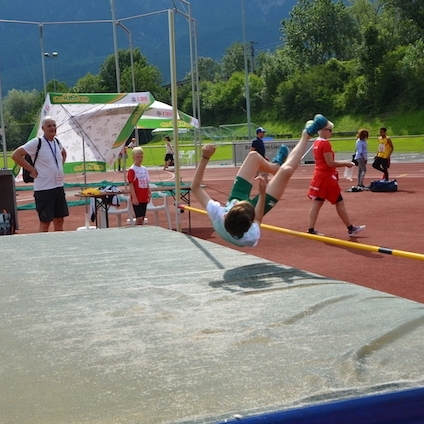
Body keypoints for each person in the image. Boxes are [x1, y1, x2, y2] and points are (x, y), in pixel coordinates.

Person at [191, 114, 328, 247]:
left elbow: (195, 187)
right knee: (286, 171)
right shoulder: (251, 237)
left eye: (237, 205)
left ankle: (275, 167)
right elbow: (258, 218)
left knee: (253, 156)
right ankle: (306, 135)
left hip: (236, 204)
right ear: (250, 223)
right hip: (250, 213)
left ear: (226, 213)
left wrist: (205, 157)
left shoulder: (217, 214)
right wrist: (262, 194)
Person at [307, 119, 365, 238]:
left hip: (319, 176)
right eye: (330, 130)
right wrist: (346, 163)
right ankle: (350, 228)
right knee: (339, 202)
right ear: (324, 130)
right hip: (326, 178)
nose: (331, 133)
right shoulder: (324, 144)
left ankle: (311, 228)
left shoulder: (317, 142)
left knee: (317, 203)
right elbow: (330, 163)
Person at [11, 116, 69, 232]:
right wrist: (32, 169)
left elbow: (63, 153)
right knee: (45, 221)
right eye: (49, 126)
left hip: (58, 187)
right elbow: (16, 155)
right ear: (43, 128)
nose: (52, 128)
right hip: (44, 189)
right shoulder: (37, 142)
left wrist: (59, 167)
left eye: (54, 125)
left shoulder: (57, 142)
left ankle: (59, 242)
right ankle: (43, 243)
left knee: (59, 220)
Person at [127, 146, 151, 225]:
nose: (140, 159)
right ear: (133, 157)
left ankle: (141, 231)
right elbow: (131, 184)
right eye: (138, 157)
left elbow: (147, 182)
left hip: (144, 196)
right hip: (137, 197)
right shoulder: (132, 170)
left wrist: (149, 193)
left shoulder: (144, 169)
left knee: (142, 217)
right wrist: (134, 197)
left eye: (141, 157)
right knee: (139, 218)